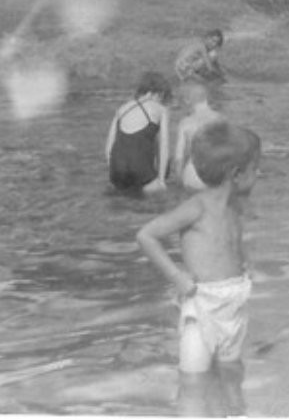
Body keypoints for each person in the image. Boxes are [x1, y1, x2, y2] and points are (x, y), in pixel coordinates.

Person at [136, 121, 261, 375]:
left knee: (231, 370)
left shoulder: (235, 207)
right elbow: (146, 235)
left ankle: (234, 412)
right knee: (194, 376)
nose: (258, 174)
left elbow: (231, 241)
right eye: (254, 169)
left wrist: (247, 262)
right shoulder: (197, 208)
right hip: (202, 303)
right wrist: (176, 276)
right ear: (236, 174)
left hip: (234, 303)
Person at [105, 71, 172, 195]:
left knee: (123, 199)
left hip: (117, 169)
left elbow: (109, 147)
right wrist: (161, 180)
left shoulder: (122, 108)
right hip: (140, 167)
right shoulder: (161, 109)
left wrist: (113, 170)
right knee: (155, 199)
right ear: (159, 93)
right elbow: (164, 146)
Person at [174, 82, 226, 191]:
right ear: (206, 98)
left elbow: (178, 158)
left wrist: (178, 180)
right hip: (214, 174)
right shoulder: (220, 119)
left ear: (188, 101)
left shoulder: (185, 123)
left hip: (192, 175)